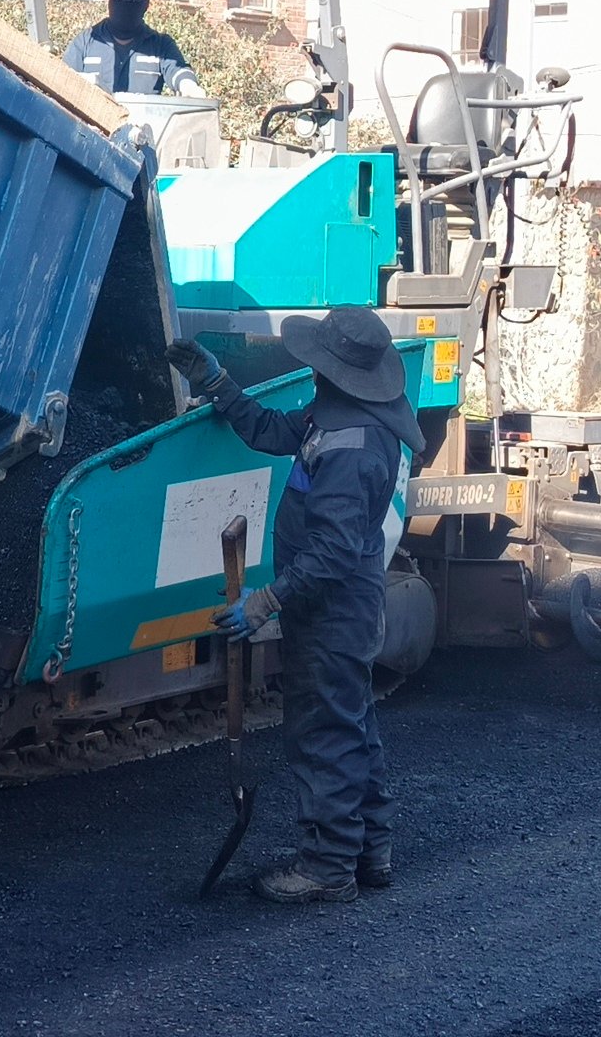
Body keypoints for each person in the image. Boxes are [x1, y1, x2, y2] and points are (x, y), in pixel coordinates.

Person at [167, 308, 424, 903]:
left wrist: (264, 603)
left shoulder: (351, 446)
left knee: (323, 732)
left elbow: (331, 552)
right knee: (352, 722)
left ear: (333, 370)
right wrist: (218, 383)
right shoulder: (338, 416)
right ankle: (369, 850)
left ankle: (329, 867)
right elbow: (270, 432)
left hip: (332, 610)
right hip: (345, 605)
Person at [62, 0, 201, 97]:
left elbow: (178, 70)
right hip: (92, 122)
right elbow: (63, 81)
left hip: (144, 122)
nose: (123, 3)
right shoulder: (86, 42)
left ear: (146, 2)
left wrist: (189, 86)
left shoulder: (160, 45)